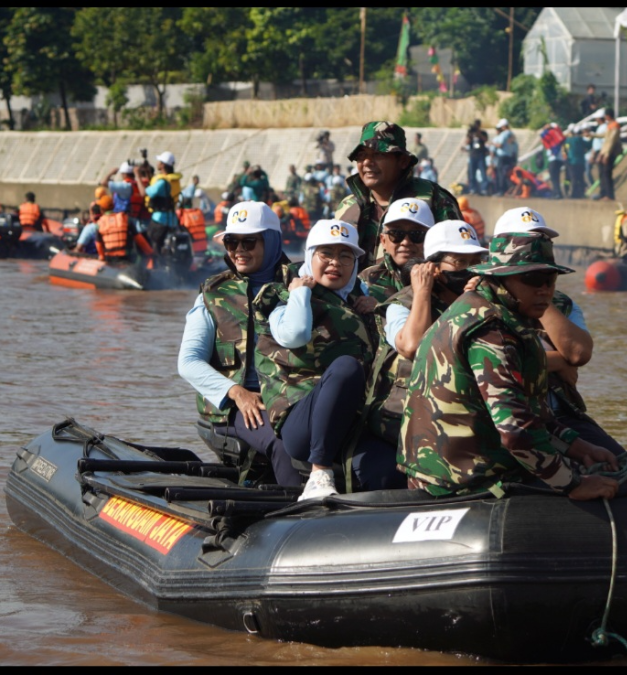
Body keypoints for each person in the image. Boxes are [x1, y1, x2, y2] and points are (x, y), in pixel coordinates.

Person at [398, 232, 620, 500]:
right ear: (500, 279)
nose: (545, 290)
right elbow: (515, 431)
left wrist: (578, 446)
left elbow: (531, 412)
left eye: (550, 280)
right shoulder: (491, 332)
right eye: (532, 279)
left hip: (451, 466)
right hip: (461, 479)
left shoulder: (478, 308)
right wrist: (572, 485)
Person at [253, 219, 405, 499]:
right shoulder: (283, 296)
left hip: (353, 422)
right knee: (347, 367)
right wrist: (301, 292)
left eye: (345, 256)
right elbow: (295, 334)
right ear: (310, 256)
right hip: (303, 424)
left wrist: (380, 310)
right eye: (326, 254)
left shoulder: (364, 299)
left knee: (388, 471)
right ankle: (319, 473)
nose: (336, 263)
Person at [177, 201, 303, 487]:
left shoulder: (302, 284)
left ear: (271, 242)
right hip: (242, 404)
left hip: (295, 396)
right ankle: (300, 518)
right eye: (232, 242)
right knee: (283, 444)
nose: (238, 251)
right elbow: (188, 363)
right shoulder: (213, 294)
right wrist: (236, 392)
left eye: (249, 242)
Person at [492, 208, 627, 458]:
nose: (536, 251)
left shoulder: (562, 303)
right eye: (527, 244)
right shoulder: (482, 305)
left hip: (560, 414)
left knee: (618, 464)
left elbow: (578, 354)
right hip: (507, 419)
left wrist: (539, 296)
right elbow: (495, 364)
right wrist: (557, 361)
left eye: (542, 242)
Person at [368, 219, 487, 447]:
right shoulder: (402, 304)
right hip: (405, 419)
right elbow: (412, 347)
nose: (470, 270)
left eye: (476, 262)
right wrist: (422, 290)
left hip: (464, 414)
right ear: (432, 268)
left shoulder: (482, 302)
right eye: (459, 262)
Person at [334, 120, 462, 268]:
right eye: (362, 155)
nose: (368, 162)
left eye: (378, 154)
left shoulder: (434, 199)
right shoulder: (348, 206)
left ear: (402, 161)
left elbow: (457, 260)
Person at [358, 197, 434, 303]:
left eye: (417, 234)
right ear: (383, 241)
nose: (405, 242)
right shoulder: (366, 279)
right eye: (396, 234)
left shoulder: (444, 278)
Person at [135, 151, 182, 254]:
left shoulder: (162, 182)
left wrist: (137, 176)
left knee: (154, 244)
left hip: (160, 220)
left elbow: (144, 193)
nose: (157, 163)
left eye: (159, 161)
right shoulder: (173, 179)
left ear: (162, 165)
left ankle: (156, 266)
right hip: (172, 219)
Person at [94, 196, 155, 263]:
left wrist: (101, 257)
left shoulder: (100, 223)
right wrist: (150, 252)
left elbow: (98, 244)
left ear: (101, 209)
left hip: (110, 259)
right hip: (126, 258)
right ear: (113, 206)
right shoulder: (125, 219)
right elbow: (139, 238)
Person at [103, 162, 151, 233]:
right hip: (134, 218)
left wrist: (111, 172)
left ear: (124, 174)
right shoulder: (138, 184)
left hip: (122, 218)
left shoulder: (124, 186)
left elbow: (103, 182)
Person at [596, 110, 623, 201]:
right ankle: (603, 193)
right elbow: (606, 138)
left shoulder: (615, 125)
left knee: (607, 173)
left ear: (608, 116)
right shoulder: (610, 125)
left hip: (610, 152)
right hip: (605, 151)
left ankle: (609, 195)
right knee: (602, 173)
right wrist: (592, 135)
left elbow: (611, 141)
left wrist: (606, 154)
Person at [490, 118, 518, 196]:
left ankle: (501, 190)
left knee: (500, 173)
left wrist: (493, 143)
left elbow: (500, 145)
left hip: (502, 157)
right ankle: (504, 190)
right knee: (504, 173)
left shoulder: (505, 134)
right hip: (508, 156)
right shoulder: (510, 134)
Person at [462, 119, 489, 196]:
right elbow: (467, 142)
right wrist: (471, 135)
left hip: (481, 155)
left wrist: (479, 134)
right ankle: (472, 188)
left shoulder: (483, 132)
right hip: (472, 155)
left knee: (483, 173)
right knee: (471, 173)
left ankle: (484, 189)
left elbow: (485, 139)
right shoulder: (471, 133)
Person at [539, 123, 566, 200]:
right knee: (556, 178)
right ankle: (558, 193)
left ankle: (556, 194)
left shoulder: (551, 133)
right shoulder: (557, 133)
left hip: (554, 159)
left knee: (554, 178)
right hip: (558, 159)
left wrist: (547, 128)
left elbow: (543, 136)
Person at [562, 125, 589, 200]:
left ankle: (573, 194)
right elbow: (588, 145)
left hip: (572, 162)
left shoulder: (569, 140)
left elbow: (565, 149)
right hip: (581, 162)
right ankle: (581, 193)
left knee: (572, 178)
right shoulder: (581, 139)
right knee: (580, 178)